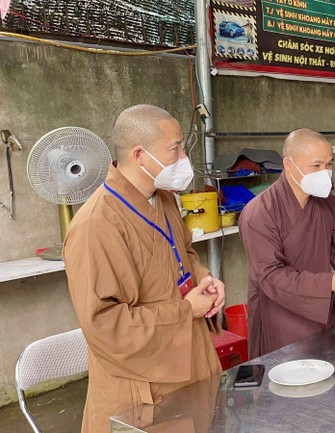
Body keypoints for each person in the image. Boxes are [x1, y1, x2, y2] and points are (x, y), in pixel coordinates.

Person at [63, 105, 225, 433]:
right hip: (144, 389)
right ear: (140, 155)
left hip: (191, 361)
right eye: (175, 148)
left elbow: (185, 251)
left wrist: (204, 277)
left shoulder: (163, 197)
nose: (184, 158)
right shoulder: (96, 225)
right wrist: (184, 310)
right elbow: (104, 325)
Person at [239, 128, 335, 358]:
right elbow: (270, 276)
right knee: (285, 385)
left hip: (319, 312)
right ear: (289, 165)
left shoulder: (326, 203)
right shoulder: (260, 212)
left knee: (323, 375)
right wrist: (330, 283)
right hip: (279, 320)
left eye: (329, 165)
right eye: (316, 166)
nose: (325, 173)